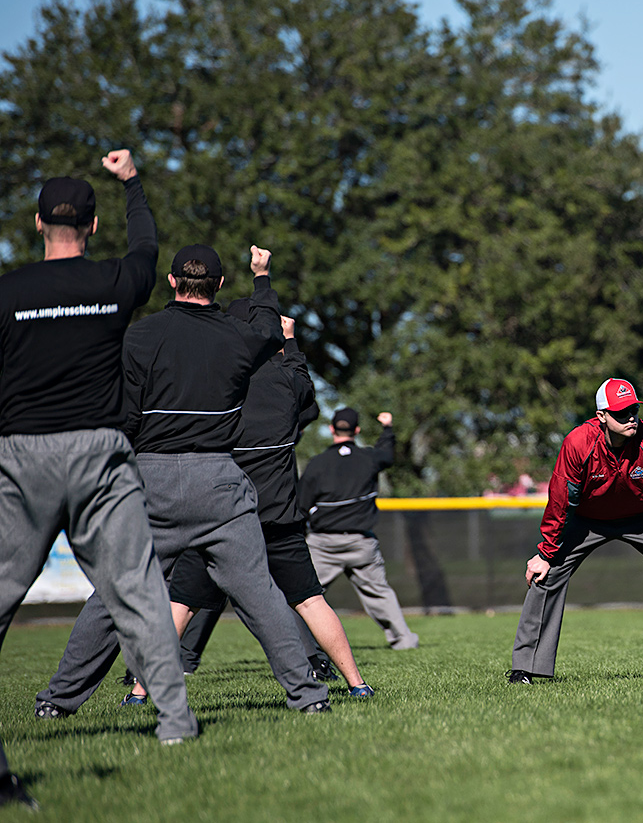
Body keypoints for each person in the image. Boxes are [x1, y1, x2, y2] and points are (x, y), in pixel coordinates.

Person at [36, 243, 329, 717]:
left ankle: (57, 701)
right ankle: (310, 697)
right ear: (216, 286)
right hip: (219, 481)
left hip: (151, 481)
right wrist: (261, 277)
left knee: (115, 596)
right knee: (261, 597)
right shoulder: (239, 337)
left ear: (172, 282)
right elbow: (269, 327)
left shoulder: (139, 336)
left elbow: (122, 416)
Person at [0, 152, 196, 804]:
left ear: (36, 223)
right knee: (138, 590)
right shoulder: (115, 280)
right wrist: (133, 181)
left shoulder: (8, 293)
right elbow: (148, 245)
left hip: (21, 456)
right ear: (90, 223)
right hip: (100, 457)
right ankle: (175, 724)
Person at [127, 309, 373, 700]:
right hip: (278, 515)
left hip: (221, 514)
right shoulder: (284, 384)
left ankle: (141, 690)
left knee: (181, 604)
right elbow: (307, 397)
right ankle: (358, 685)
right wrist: (290, 345)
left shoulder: (219, 383)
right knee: (310, 601)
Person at [509, 378, 643, 683]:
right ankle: (525, 668)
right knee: (546, 574)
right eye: (621, 413)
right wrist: (545, 553)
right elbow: (561, 501)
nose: (631, 418)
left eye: (634, 410)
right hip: (587, 519)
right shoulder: (578, 443)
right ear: (602, 417)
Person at [299, 408, 419, 650]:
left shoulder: (318, 463)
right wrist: (387, 429)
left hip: (323, 544)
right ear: (357, 430)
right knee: (379, 594)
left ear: (332, 429)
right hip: (360, 542)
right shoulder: (368, 457)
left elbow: (301, 506)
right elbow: (387, 455)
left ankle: (295, 644)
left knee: (302, 596)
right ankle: (404, 640)